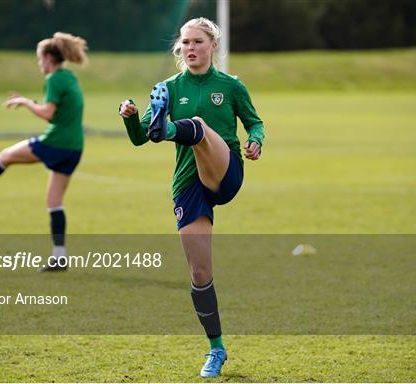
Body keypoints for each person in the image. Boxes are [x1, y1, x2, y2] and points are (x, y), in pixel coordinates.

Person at [119, 17, 265, 378]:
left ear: (212, 45)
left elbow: (255, 122)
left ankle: (171, 129)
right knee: (200, 273)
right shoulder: (167, 88)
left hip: (225, 171)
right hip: (189, 183)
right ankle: (216, 349)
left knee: (198, 127)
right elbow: (140, 138)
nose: (190, 48)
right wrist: (132, 118)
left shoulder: (230, 86)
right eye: (185, 43)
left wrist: (257, 140)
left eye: (198, 42)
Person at [0, 32, 87, 272]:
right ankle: (59, 257)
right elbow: (57, 110)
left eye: (40, 59)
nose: (39, 63)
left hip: (56, 143)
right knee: (54, 202)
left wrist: (26, 102)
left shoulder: (54, 79)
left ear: (50, 58)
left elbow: (48, 113)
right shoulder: (68, 77)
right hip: (74, 147)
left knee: (6, 156)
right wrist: (28, 101)